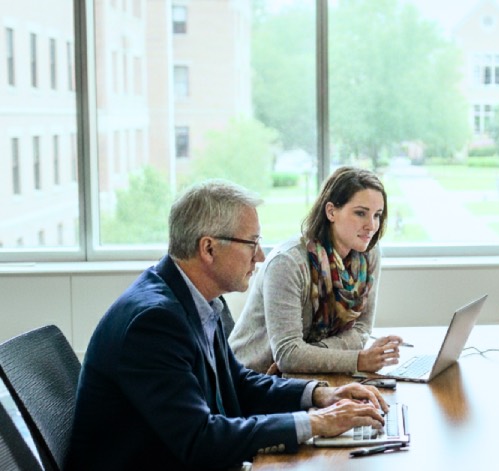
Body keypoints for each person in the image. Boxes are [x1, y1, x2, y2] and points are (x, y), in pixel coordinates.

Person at [66, 180, 388, 470]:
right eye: (252, 243)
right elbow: (200, 439)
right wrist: (314, 423)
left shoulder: (199, 299)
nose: (260, 256)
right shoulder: (154, 323)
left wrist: (319, 395)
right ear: (208, 248)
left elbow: (236, 382)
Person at [230, 167, 403, 375]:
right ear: (331, 211)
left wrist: (311, 354)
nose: (371, 226)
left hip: (307, 375)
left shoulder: (369, 254)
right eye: (360, 213)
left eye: (377, 215)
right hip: (251, 379)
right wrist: (357, 360)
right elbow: (288, 354)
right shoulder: (288, 263)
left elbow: (362, 329)